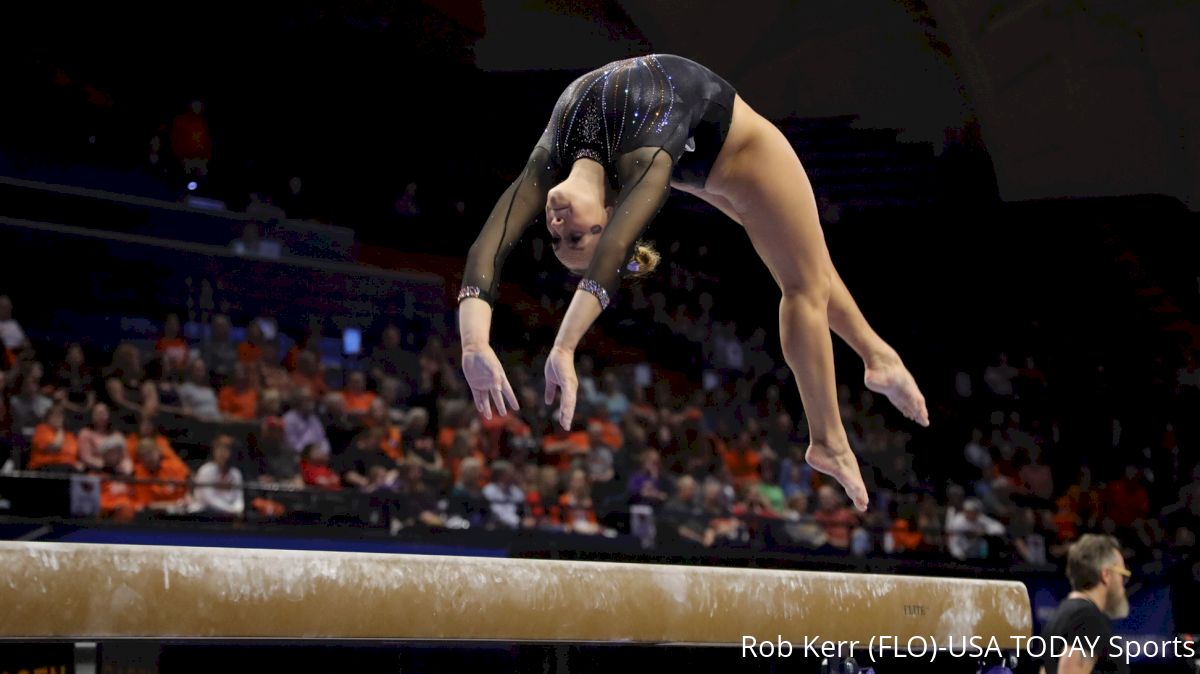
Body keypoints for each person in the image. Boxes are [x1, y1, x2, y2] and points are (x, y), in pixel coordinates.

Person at [457, 54, 927, 511]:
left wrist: (474, 345)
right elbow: (610, 259)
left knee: (810, 271)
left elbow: (489, 243)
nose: (557, 224)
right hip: (743, 155)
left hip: (698, 150)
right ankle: (829, 440)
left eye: (557, 237)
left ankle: (878, 356)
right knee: (804, 286)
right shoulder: (643, 164)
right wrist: (556, 349)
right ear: (608, 218)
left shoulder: (557, 152)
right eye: (575, 236)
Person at [1038, 534, 1131, 674]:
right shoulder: (1087, 618)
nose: (1123, 584)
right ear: (1106, 575)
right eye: (1122, 574)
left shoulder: (1062, 615)